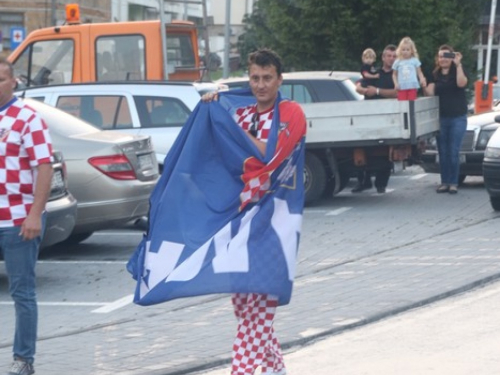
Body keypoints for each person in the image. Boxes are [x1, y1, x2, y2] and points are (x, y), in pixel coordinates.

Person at [202, 49, 306, 375]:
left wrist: (231, 127)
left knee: (256, 312)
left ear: (279, 79)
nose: (260, 85)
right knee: (244, 307)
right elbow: (220, 154)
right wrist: (213, 107)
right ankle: (277, 370)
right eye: (255, 78)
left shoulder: (291, 113)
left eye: (267, 78)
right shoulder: (243, 114)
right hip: (241, 222)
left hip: (275, 225)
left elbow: (269, 156)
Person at [0, 58, 54, 375]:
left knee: (22, 291)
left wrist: (35, 213)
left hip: (19, 220)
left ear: (13, 82)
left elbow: (44, 166)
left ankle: (24, 360)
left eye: (0, 79)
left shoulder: (28, 119)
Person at [423, 45, 468, 194]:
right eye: (441, 56)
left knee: (453, 150)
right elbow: (430, 93)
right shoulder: (435, 75)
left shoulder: (457, 71)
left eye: (446, 56)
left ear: (451, 57)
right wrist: (423, 83)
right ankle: (445, 182)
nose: (443, 59)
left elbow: (462, 83)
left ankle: (454, 183)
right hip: (442, 117)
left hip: (458, 117)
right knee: (442, 151)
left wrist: (459, 64)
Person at [353, 44, 398, 194]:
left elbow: (397, 93)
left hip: (388, 118)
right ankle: (364, 181)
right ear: (383, 57)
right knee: (361, 149)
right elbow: (359, 86)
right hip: (369, 116)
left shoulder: (396, 75)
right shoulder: (375, 73)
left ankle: (381, 184)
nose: (391, 59)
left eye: (394, 56)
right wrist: (364, 90)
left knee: (384, 155)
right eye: (388, 56)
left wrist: (377, 91)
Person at [392, 36, 427, 101]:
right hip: (401, 86)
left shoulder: (414, 60)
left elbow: (419, 72)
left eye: (407, 50)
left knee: (412, 103)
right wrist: (396, 83)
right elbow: (394, 74)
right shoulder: (397, 62)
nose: (405, 52)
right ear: (400, 50)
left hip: (412, 85)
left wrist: (422, 79)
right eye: (403, 49)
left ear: (411, 51)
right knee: (402, 103)